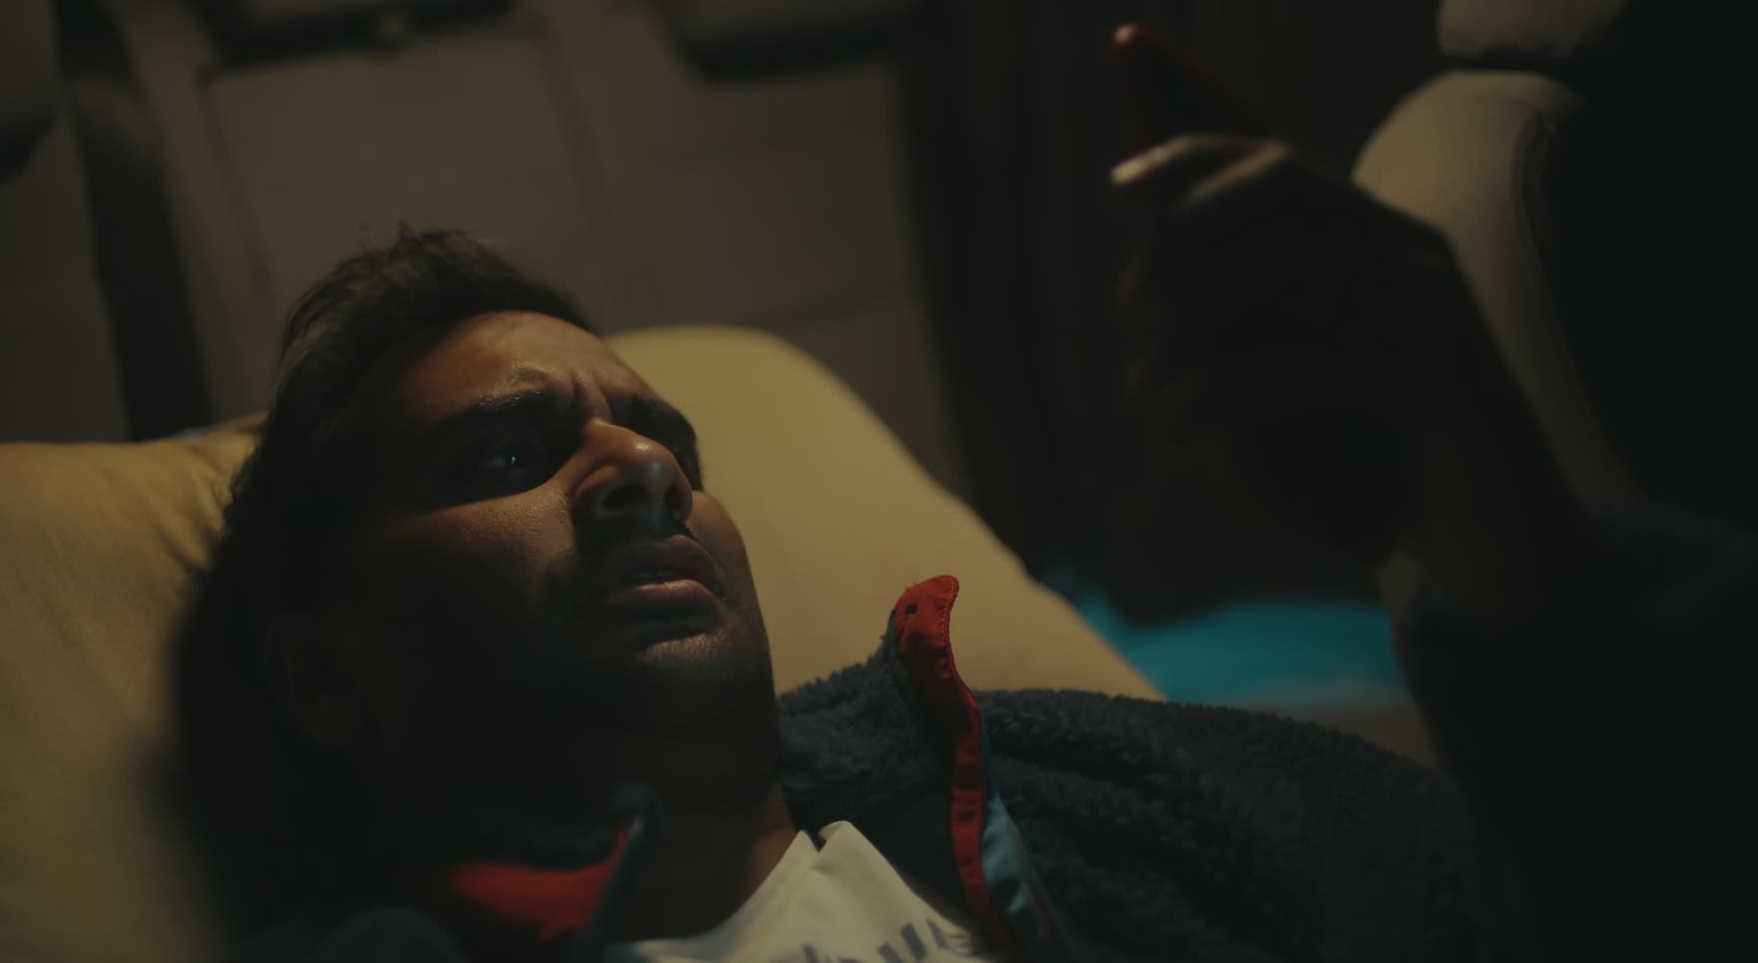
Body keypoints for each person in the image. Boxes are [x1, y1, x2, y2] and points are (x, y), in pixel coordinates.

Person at [176, 136, 1751, 963]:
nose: (638, 473)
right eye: (506, 456)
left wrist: (1493, 497)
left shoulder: (1092, 796)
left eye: (666, 445)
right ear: (324, 672)